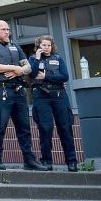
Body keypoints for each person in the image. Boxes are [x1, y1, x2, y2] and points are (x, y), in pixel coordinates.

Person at [0, 20, 48, 171]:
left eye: (8, 29)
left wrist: (20, 71)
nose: (6, 32)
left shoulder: (15, 46)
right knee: (0, 126)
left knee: (24, 128)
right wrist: (15, 68)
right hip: (1, 91)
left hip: (18, 91)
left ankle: (29, 161)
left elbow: (28, 67)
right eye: (3, 29)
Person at [28, 35, 79, 172]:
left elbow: (64, 76)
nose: (46, 47)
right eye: (43, 45)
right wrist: (37, 59)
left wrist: (45, 77)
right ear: (38, 46)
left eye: (48, 45)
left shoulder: (58, 58)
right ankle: (46, 161)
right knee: (45, 128)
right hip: (41, 96)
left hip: (59, 95)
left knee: (65, 128)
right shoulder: (33, 59)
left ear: (52, 46)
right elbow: (32, 74)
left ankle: (72, 162)